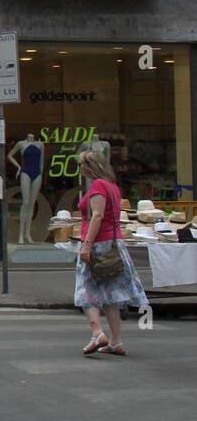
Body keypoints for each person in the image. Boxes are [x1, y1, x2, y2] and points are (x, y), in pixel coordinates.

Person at [76, 150, 148, 356]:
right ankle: (116, 341)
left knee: (85, 291)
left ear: (90, 166)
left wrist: (87, 245)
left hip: (99, 244)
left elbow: (97, 215)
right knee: (110, 295)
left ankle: (97, 333)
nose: (80, 169)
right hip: (114, 243)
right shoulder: (112, 185)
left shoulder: (98, 185)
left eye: (82, 164)